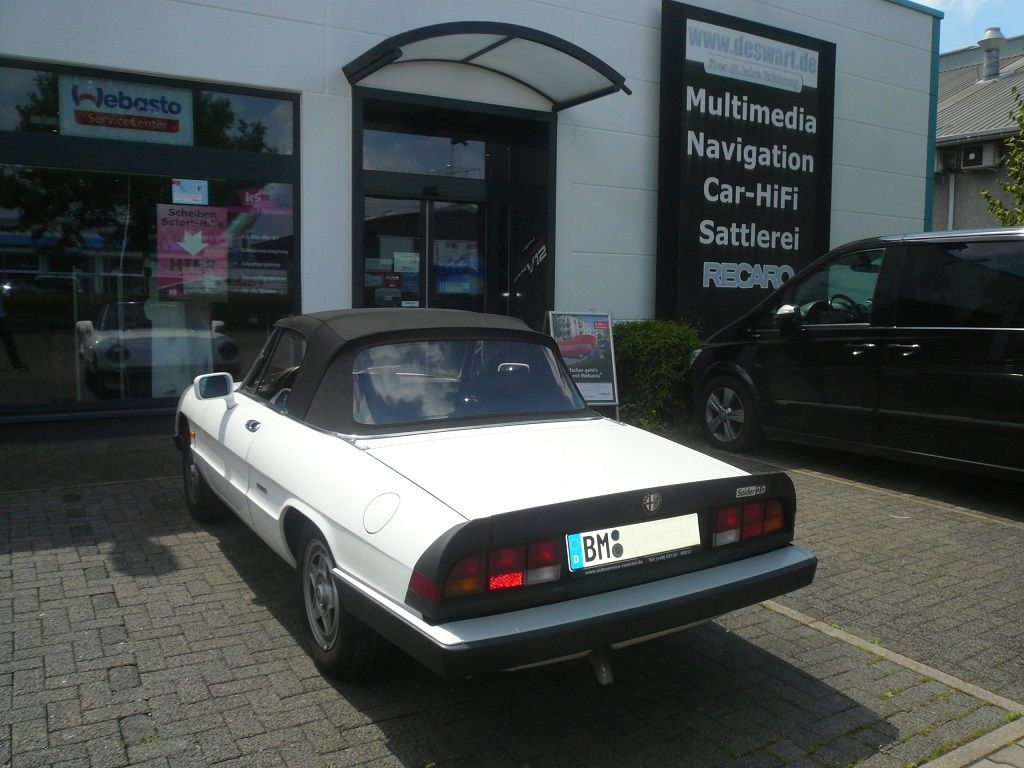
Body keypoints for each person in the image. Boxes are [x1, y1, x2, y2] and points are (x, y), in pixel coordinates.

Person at [0, 282, 26, 370]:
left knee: (9, 343)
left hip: (2, 318)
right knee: (9, 343)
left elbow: (8, 295)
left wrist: (9, 291)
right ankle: (17, 364)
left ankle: (17, 364)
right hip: (2, 318)